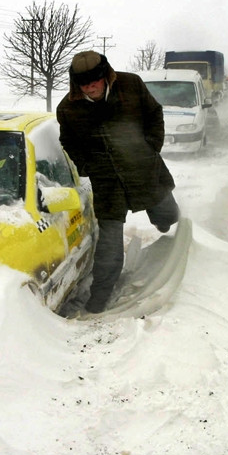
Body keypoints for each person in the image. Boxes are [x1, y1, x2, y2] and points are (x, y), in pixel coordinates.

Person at [56, 50, 179, 313]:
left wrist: (151, 146)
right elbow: (68, 142)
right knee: (109, 244)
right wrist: (86, 165)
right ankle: (99, 297)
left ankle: (163, 222)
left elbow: (154, 114)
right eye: (84, 83)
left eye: (95, 81)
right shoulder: (68, 108)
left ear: (106, 76)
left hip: (145, 171)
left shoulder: (131, 85)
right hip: (107, 182)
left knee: (168, 215)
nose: (90, 87)